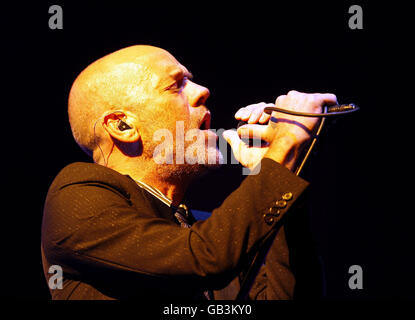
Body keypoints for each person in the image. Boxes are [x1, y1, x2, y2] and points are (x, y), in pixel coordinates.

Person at [41, 45, 337, 300]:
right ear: (122, 126)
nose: (202, 91)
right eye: (176, 85)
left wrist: (275, 170)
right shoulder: (75, 194)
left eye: (191, 80)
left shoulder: (211, 229)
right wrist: (283, 150)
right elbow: (204, 259)